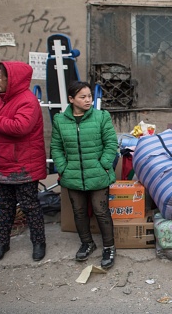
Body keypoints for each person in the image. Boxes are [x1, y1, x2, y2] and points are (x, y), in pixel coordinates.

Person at [0, 61, 47, 262]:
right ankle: (1, 244)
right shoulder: (1, 100)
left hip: (23, 166)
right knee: (5, 207)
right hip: (4, 166)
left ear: (11, 79)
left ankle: (39, 243)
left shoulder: (27, 101)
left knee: (30, 207)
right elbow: (0, 125)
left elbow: (19, 127)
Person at [50, 81, 118, 269]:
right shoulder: (60, 121)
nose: (88, 100)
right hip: (72, 175)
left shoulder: (101, 117)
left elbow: (111, 143)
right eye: (83, 97)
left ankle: (109, 247)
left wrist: (103, 165)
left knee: (101, 211)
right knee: (79, 212)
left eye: (89, 96)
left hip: (97, 173)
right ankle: (87, 243)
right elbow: (56, 147)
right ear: (71, 99)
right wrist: (62, 168)